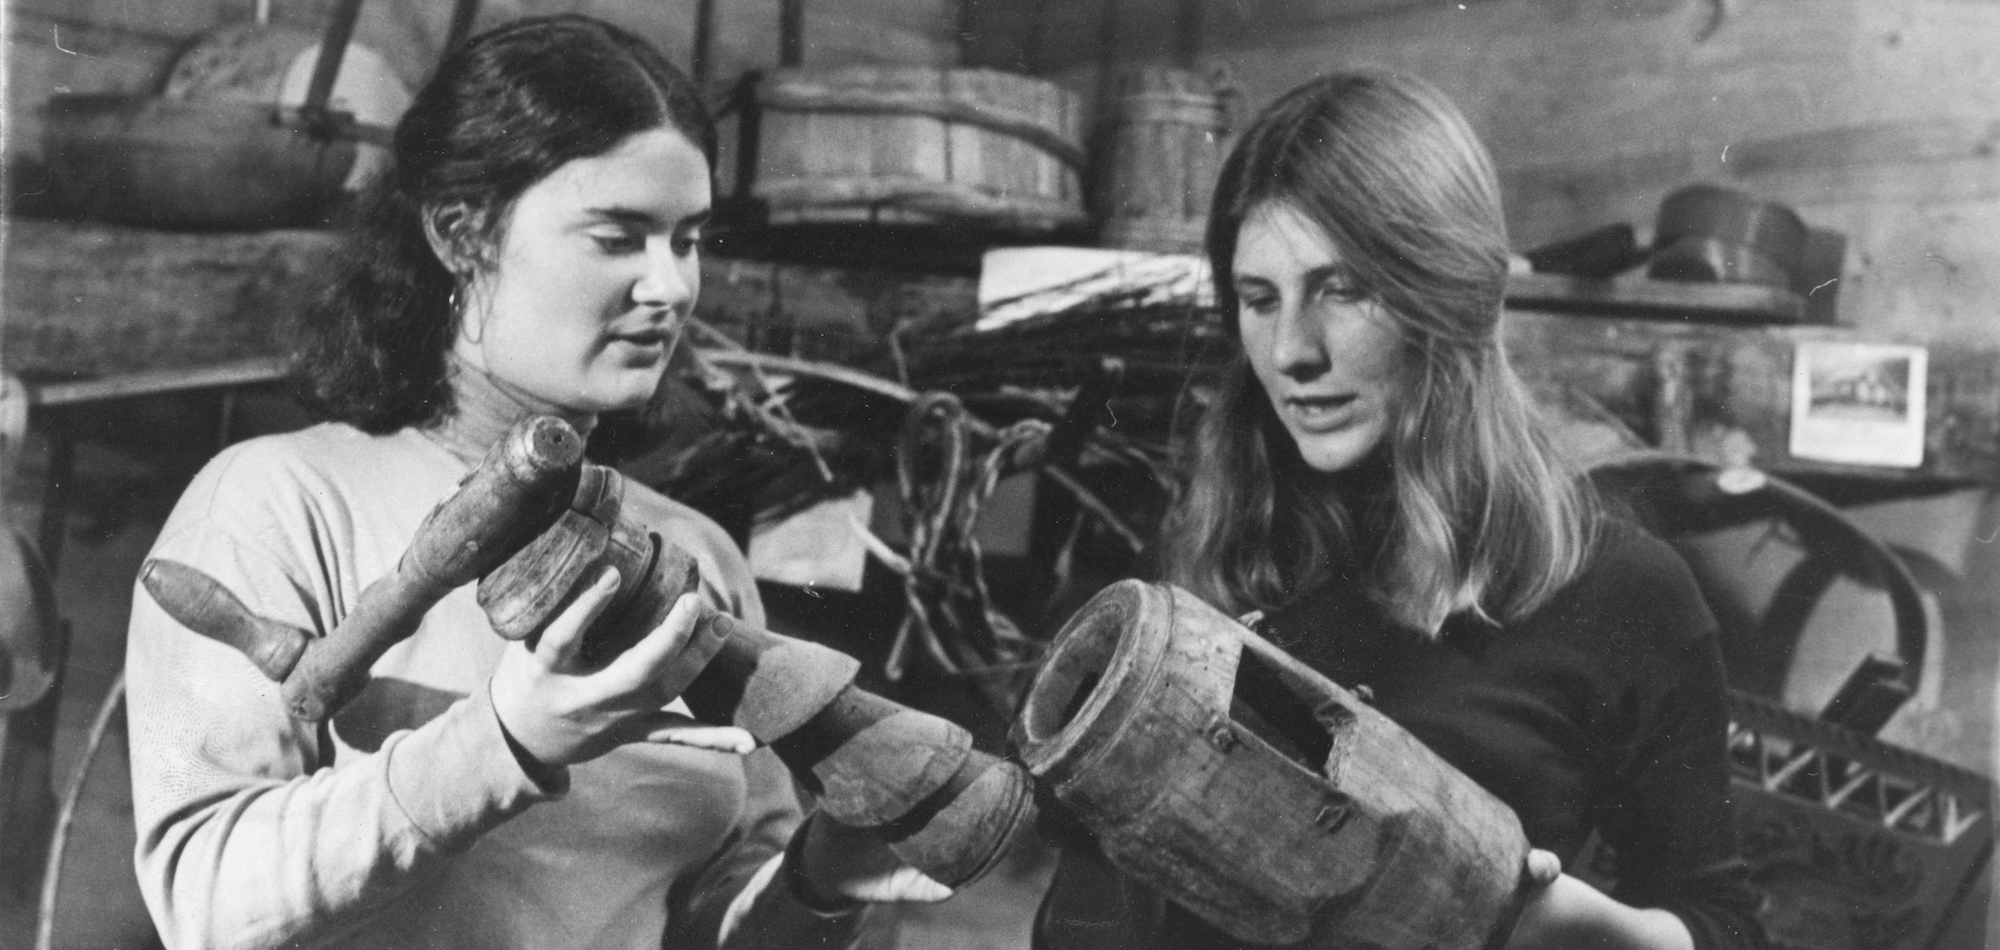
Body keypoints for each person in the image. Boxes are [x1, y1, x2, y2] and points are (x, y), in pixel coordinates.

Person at [124, 15, 944, 950]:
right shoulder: (278, 501)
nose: (672, 285)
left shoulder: (694, 555)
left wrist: (820, 883)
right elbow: (203, 894)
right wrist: (504, 740)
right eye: (618, 236)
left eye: (687, 239)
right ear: (460, 233)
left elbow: (715, 918)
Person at [1043, 71, 1767, 950]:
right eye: (1260, 298)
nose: (1291, 352)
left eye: (1342, 290)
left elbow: (1725, 925)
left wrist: (1593, 933)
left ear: (1448, 293)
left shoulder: (1625, 593)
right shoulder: (1219, 562)